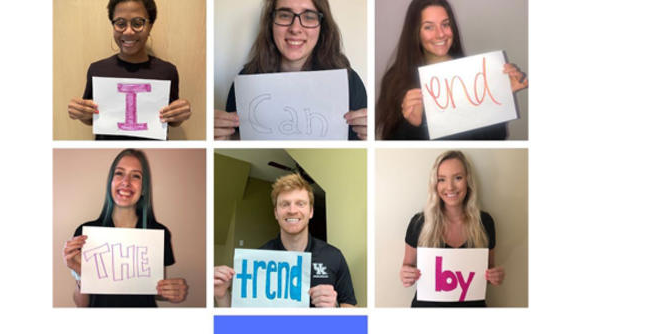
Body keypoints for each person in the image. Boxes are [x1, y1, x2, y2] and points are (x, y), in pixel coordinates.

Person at [214, 0, 368, 140]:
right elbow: (237, 139)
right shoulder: (245, 80)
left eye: (309, 16)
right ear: (271, 23)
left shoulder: (349, 82)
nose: (295, 28)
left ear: (322, 26)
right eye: (285, 15)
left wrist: (369, 136)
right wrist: (223, 138)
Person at [376, 0, 528, 140]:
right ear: (415, 32)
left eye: (445, 24)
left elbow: (497, 137)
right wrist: (412, 124)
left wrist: (502, 94)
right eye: (429, 27)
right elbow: (390, 139)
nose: (440, 34)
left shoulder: (475, 74)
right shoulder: (396, 79)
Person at [62, 149, 188, 307]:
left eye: (136, 176)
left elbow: (153, 290)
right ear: (111, 182)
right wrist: (81, 276)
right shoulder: (85, 233)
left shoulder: (159, 233)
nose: (126, 182)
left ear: (144, 188)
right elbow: (82, 305)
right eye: (119, 173)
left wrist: (171, 293)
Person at [214, 173, 356, 308]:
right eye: (285, 204)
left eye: (300, 204)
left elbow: (351, 308)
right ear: (276, 212)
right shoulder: (258, 261)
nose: (292, 210)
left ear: (311, 211)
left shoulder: (333, 256)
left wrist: (335, 308)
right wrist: (221, 295)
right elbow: (239, 321)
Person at [67, 0, 192, 140]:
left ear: (150, 26)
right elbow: (92, 119)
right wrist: (80, 113)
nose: (128, 31)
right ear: (113, 26)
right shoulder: (97, 70)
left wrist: (180, 114)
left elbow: (172, 121)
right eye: (120, 24)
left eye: (138, 23)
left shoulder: (167, 71)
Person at [400, 151, 504, 307]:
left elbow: (486, 274)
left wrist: (494, 276)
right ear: (435, 184)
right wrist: (405, 274)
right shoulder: (419, 223)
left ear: (468, 181)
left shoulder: (485, 223)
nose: (450, 187)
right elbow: (407, 267)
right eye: (442, 179)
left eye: (458, 178)